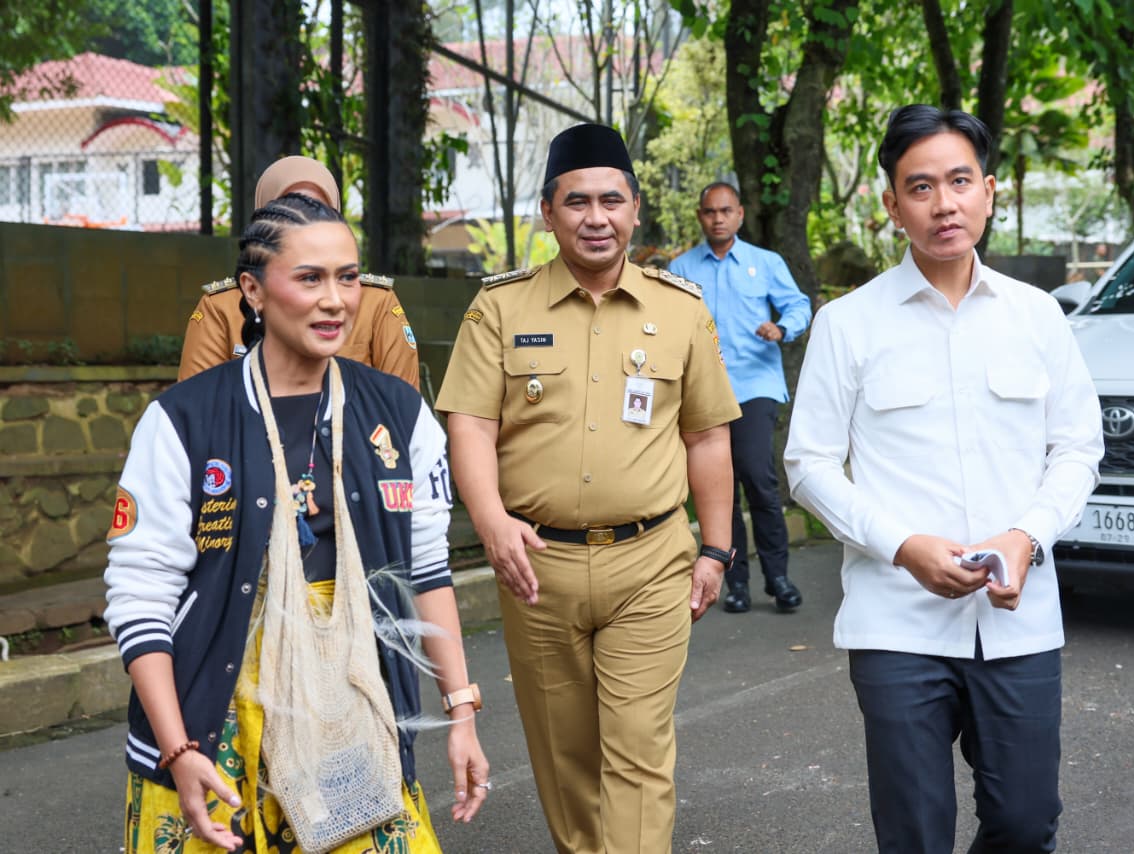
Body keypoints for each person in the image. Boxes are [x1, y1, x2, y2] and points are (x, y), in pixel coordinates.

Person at [104, 193, 488, 853]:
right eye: (309, 278)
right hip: (211, 723)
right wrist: (177, 749)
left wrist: (461, 712)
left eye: (348, 276)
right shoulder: (183, 420)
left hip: (350, 710)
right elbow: (140, 595)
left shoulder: (397, 412)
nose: (336, 298)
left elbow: (427, 569)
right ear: (252, 289)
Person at [783, 105, 1103, 853]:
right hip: (896, 622)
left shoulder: (1037, 315)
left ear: (989, 191)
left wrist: (1028, 535)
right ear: (893, 205)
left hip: (1016, 617)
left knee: (1026, 825)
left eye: (960, 181)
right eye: (920, 187)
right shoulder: (849, 323)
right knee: (915, 834)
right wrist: (902, 547)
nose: (944, 204)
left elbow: (1077, 447)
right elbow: (809, 464)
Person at [435, 123, 741, 854]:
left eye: (611, 200)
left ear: (636, 209)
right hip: (537, 567)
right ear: (548, 212)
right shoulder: (500, 309)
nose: (595, 217)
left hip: (651, 560)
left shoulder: (681, 309)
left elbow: (706, 436)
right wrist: (492, 523)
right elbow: (470, 425)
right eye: (577, 202)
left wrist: (718, 550)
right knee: (564, 757)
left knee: (637, 750)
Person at [670, 182, 812, 613]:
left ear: (740, 214)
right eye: (710, 212)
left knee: (757, 478)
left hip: (754, 385)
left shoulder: (764, 263)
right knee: (718, 487)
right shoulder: (680, 266)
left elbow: (798, 305)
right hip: (702, 389)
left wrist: (782, 328)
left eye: (725, 211)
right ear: (701, 216)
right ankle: (734, 583)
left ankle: (778, 578)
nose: (717, 218)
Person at [177, 155, 421, 389]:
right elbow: (195, 411)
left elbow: (402, 410)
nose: (306, 220)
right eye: (290, 210)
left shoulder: (376, 302)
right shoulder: (220, 307)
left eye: (318, 210)